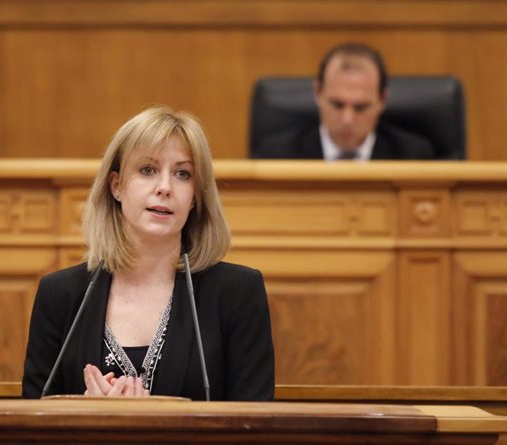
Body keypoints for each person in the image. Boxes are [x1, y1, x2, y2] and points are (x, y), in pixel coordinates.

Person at [22, 105, 274, 401]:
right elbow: (32, 421)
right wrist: (88, 418)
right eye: (148, 170)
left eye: (183, 174)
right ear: (116, 186)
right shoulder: (60, 295)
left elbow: (254, 427)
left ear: (195, 196)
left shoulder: (237, 293)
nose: (165, 187)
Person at [255, 42, 434, 161]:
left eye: (360, 107)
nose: (347, 119)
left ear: (382, 100)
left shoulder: (412, 156)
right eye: (337, 105)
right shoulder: (277, 156)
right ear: (317, 93)